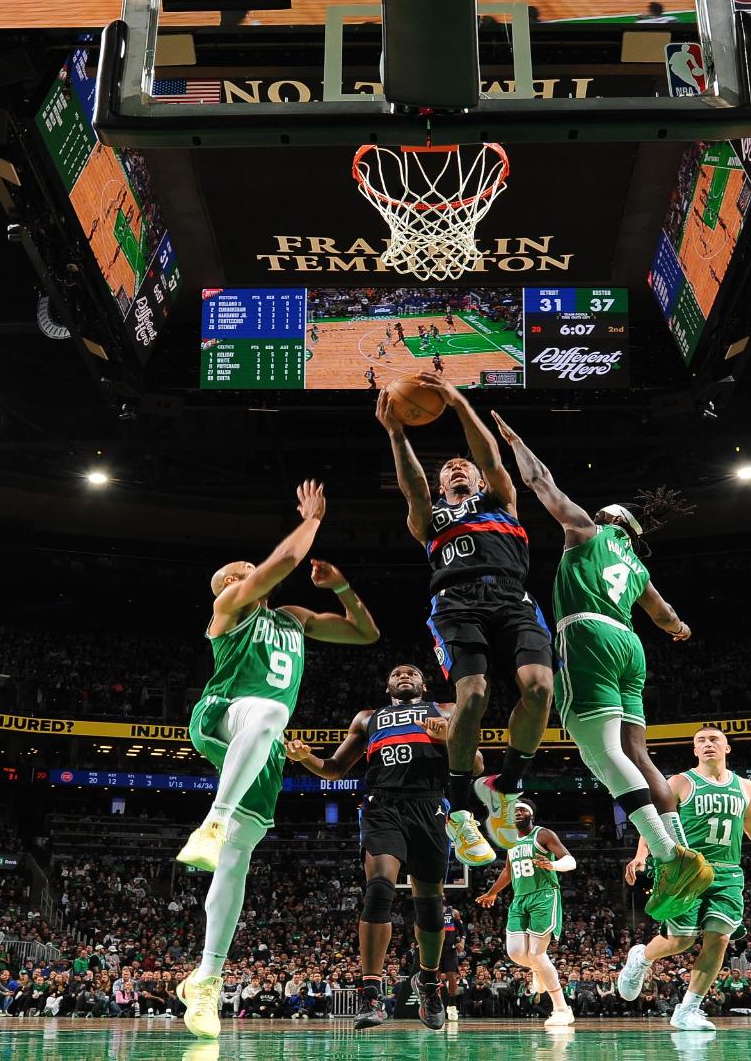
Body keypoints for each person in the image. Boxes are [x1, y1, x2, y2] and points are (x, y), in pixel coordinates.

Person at [173, 480, 381, 1039]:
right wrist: (312, 519)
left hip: (260, 744)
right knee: (266, 713)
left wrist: (341, 587)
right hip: (224, 714)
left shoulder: (291, 617)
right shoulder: (229, 609)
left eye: (247, 570)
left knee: (237, 861)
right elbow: (284, 558)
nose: (245, 574)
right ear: (226, 589)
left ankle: (206, 981)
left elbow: (365, 633)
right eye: (236, 573)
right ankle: (212, 821)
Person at [491, 413, 710, 918]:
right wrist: (679, 631)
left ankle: (668, 855)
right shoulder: (639, 567)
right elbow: (665, 615)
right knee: (637, 753)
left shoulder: (587, 531)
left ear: (609, 520)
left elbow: (541, 482)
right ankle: (682, 852)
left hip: (588, 634)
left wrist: (517, 441)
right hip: (629, 645)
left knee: (601, 751)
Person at [375, 371, 554, 863]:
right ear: (441, 483)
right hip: (456, 604)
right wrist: (397, 433)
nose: (457, 468)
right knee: (472, 696)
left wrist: (456, 402)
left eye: (463, 466)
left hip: (512, 598)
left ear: (476, 477)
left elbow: (492, 458)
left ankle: (506, 786)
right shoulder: (431, 518)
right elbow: (413, 488)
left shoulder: (500, 499)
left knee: (540, 689)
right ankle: (456, 811)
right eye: (448, 468)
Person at [285, 663, 470, 1030]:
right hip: (383, 805)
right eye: (397, 673)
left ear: (423, 683)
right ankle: (371, 992)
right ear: (387, 684)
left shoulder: (447, 711)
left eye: (412, 672)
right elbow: (335, 768)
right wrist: (306, 758)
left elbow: (475, 763)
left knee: (431, 906)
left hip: (430, 806)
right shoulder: (368, 718)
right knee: (378, 889)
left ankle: (430, 983)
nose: (404, 675)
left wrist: (446, 736)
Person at [616, 727, 751, 1031]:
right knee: (681, 940)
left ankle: (687, 1009)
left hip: (727, 871)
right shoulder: (680, 782)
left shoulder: (745, 787)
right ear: (695, 750)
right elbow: (655, 823)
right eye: (700, 741)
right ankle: (641, 957)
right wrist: (641, 855)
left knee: (721, 938)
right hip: (686, 869)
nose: (707, 744)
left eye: (714, 740)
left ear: (727, 748)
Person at [474, 801, 576, 1027]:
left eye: (522, 810)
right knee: (516, 952)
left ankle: (561, 1009)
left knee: (538, 953)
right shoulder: (510, 841)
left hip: (544, 895)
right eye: (515, 811)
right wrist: (491, 893)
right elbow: (508, 872)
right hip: (520, 899)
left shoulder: (544, 835)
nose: (518, 813)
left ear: (531, 814)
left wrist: (553, 866)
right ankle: (537, 971)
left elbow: (570, 861)